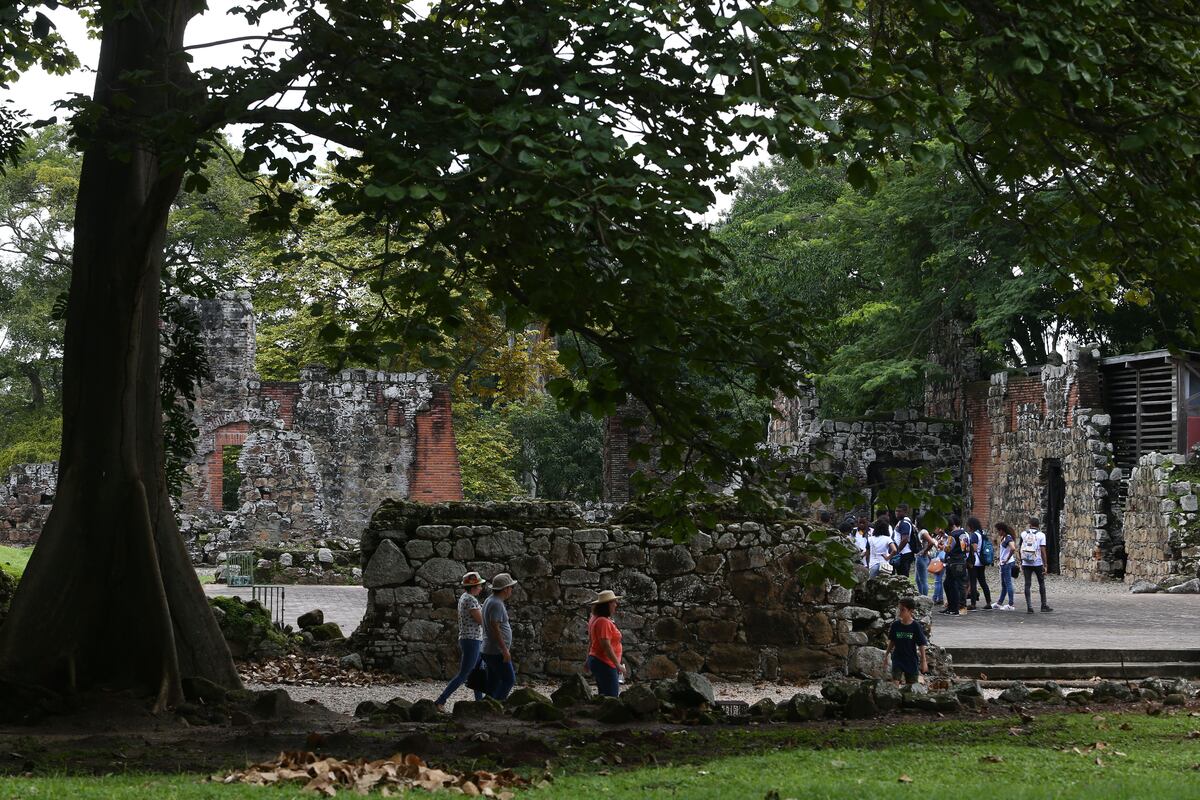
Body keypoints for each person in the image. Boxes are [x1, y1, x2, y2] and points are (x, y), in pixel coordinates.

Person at [434, 572, 487, 711]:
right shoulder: (471, 600)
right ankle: (440, 701)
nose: (481, 587)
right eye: (479, 585)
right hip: (472, 640)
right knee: (464, 674)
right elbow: (481, 620)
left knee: (477, 673)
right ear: (474, 586)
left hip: (471, 639)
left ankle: (480, 703)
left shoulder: (465, 597)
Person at [481, 572, 519, 700]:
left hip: (489, 649)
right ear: (505, 589)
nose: (511, 590)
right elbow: (495, 627)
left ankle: (487, 708)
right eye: (510, 587)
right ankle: (498, 706)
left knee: (493, 683)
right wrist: (504, 650)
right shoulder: (496, 603)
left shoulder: (489, 600)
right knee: (509, 680)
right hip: (496, 651)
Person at [586, 590, 625, 697]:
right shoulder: (603, 622)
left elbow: (592, 641)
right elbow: (606, 645)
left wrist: (587, 659)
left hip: (598, 660)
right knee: (611, 696)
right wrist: (617, 664)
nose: (616, 605)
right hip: (605, 663)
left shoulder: (595, 618)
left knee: (603, 694)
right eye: (614, 602)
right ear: (608, 604)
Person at [884, 597, 928, 685]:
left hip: (911, 660)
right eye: (899, 609)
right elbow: (892, 641)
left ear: (910, 611)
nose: (899, 612)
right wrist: (886, 655)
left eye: (902, 610)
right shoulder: (895, 625)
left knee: (912, 686)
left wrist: (924, 661)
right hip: (897, 658)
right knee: (895, 683)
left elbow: (921, 644)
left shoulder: (916, 626)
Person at [1019, 517, 1053, 613]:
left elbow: (1020, 548)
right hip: (1037, 562)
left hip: (1026, 562)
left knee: (1027, 584)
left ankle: (1029, 607)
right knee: (1041, 583)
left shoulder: (1023, 534)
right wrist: (1045, 564)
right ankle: (1043, 605)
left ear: (1030, 524)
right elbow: (1043, 551)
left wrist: (1021, 562)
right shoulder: (1041, 535)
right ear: (1038, 526)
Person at [941, 515, 970, 615]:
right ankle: (954, 607)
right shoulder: (963, 534)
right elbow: (966, 548)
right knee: (954, 584)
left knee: (953, 584)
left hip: (953, 561)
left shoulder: (952, 535)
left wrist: (943, 546)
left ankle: (957, 607)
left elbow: (947, 548)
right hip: (960, 561)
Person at [966, 517, 993, 611]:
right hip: (981, 562)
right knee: (983, 582)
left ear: (971, 526)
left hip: (975, 562)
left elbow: (974, 548)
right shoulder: (982, 533)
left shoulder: (974, 535)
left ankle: (973, 604)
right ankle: (988, 602)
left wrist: (969, 554)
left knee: (973, 583)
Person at [993, 522, 1018, 610]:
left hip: (1007, 564)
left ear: (1002, 530)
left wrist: (1007, 559)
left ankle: (1011, 604)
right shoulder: (1004, 538)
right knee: (1004, 584)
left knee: (1008, 584)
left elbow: (1013, 548)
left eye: (998, 531)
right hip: (1004, 564)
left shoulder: (1008, 538)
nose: (997, 532)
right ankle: (1000, 602)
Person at [912, 515, 937, 596]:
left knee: (923, 580)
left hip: (922, 557)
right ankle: (921, 595)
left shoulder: (923, 532)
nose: (914, 522)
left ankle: (925, 598)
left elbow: (932, 542)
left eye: (915, 520)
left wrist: (924, 551)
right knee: (917, 579)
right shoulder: (920, 531)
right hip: (920, 557)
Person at [892, 504, 916, 577]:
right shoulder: (902, 521)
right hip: (902, 553)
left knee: (903, 576)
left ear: (905, 512)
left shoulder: (904, 523)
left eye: (899, 511)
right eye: (896, 511)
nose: (897, 513)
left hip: (904, 553)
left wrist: (897, 551)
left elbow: (905, 539)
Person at [930, 528, 947, 606]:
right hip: (938, 560)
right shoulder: (938, 537)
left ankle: (935, 598)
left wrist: (938, 544)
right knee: (939, 580)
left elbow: (944, 548)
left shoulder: (945, 537)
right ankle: (940, 598)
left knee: (937, 580)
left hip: (941, 560)